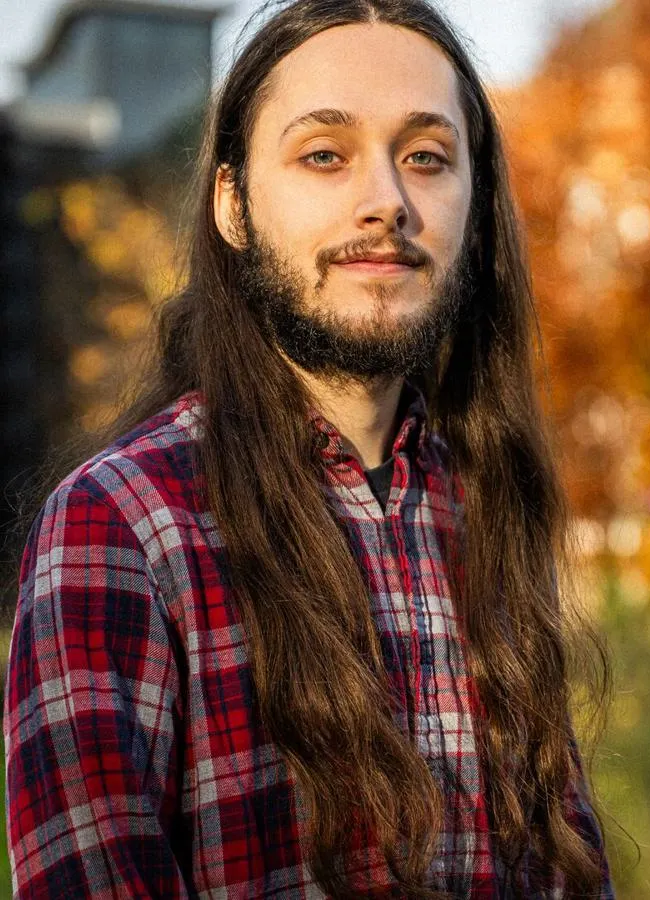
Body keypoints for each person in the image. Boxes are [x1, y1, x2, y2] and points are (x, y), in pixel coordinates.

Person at [4, 1, 615, 896]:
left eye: (427, 157)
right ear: (233, 205)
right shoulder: (120, 531)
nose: (387, 203)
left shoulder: (484, 507)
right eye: (324, 154)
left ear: (476, 214)